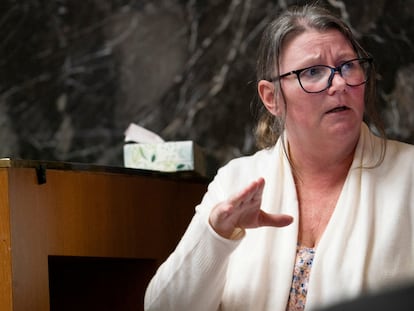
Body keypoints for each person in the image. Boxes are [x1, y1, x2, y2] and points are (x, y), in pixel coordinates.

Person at [144, 4, 414, 311]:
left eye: (348, 66)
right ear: (272, 98)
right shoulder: (236, 181)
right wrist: (216, 236)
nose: (339, 84)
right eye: (313, 72)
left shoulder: (409, 176)